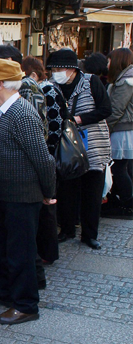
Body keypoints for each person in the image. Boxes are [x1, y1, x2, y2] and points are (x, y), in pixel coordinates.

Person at [0, 59, 56, 325]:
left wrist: (48, 192)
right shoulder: (6, 110)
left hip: (23, 195)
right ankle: (2, 291)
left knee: (20, 251)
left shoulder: (22, 112)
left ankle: (26, 304)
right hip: (7, 194)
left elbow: (43, 159)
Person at [47, 48, 112, 250]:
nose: (56, 72)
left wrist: (79, 119)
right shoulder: (52, 86)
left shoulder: (91, 82)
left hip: (93, 145)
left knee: (92, 193)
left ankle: (89, 235)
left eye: (60, 68)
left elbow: (106, 110)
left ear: (72, 69)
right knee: (67, 190)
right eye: (53, 68)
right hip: (67, 148)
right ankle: (67, 229)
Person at [21, 56, 67, 279]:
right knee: (44, 209)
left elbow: (54, 124)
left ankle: (47, 253)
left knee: (46, 208)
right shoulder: (43, 89)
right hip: (46, 153)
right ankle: (46, 254)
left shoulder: (43, 90)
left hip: (46, 154)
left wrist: (48, 150)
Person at [103, 47, 133, 219]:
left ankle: (127, 204)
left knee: (120, 168)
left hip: (122, 130)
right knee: (124, 168)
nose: (107, 64)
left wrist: (106, 129)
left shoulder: (125, 81)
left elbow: (116, 109)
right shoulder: (126, 78)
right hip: (126, 129)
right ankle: (125, 202)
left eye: (109, 60)